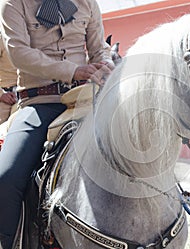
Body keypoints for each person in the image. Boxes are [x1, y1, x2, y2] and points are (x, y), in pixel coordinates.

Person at [0, 0, 114, 248]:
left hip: (86, 99)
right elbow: (18, 52)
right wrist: (73, 70)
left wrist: (106, 63)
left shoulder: (87, 2)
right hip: (39, 102)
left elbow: (99, 48)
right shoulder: (13, 4)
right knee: (5, 178)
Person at [0, 33, 17, 125]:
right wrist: (1, 95)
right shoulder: (2, 39)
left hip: (29, 95)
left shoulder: (33, 38)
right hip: (6, 99)